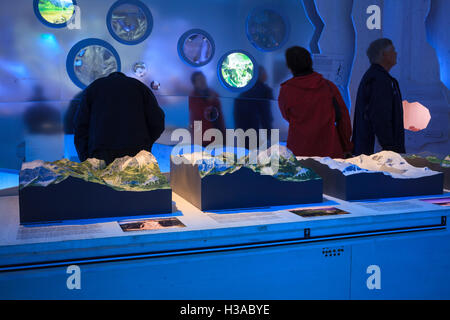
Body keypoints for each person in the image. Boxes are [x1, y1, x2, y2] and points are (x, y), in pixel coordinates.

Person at [74, 72, 165, 164]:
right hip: (136, 151)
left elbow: (80, 125)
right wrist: (146, 144)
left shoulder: (94, 88)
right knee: (134, 178)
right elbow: (158, 121)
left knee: (103, 178)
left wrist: (85, 156)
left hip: (101, 151)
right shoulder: (139, 87)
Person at [278, 46, 353, 158]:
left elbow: (287, 116)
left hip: (299, 152)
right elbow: (343, 118)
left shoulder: (286, 90)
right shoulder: (328, 87)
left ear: (289, 66)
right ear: (310, 62)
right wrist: (346, 146)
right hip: (329, 152)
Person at [352, 38, 405, 156]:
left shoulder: (373, 76)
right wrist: (389, 147)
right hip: (379, 154)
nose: (396, 53)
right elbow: (380, 114)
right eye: (393, 50)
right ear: (383, 54)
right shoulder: (380, 80)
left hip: (370, 149)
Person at [233, 66, 273, 149]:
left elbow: (237, 117)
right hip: (257, 133)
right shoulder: (264, 91)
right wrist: (269, 133)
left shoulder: (244, 91)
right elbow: (265, 115)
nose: (267, 75)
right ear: (260, 75)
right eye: (265, 73)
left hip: (244, 134)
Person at [188, 71, 226, 147]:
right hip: (202, 138)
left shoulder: (213, 94)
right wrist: (210, 101)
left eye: (203, 78)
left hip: (218, 135)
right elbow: (200, 113)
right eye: (199, 79)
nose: (202, 81)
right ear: (194, 83)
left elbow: (219, 117)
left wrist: (224, 136)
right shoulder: (193, 97)